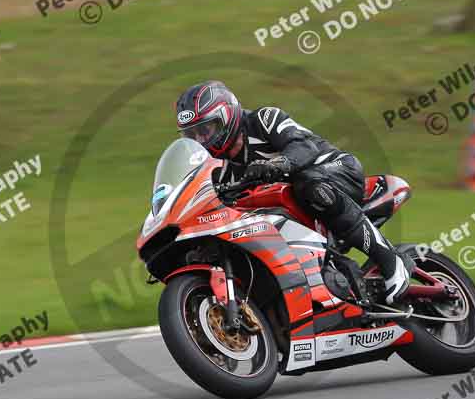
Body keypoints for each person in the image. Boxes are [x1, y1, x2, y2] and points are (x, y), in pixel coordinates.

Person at [175, 81, 413, 305]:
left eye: (206, 130)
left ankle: (390, 261)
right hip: (293, 203)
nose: (201, 140)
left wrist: (278, 164)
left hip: (337, 171)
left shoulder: (263, 119)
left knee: (309, 185)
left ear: (226, 117)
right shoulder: (218, 168)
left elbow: (303, 146)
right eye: (192, 135)